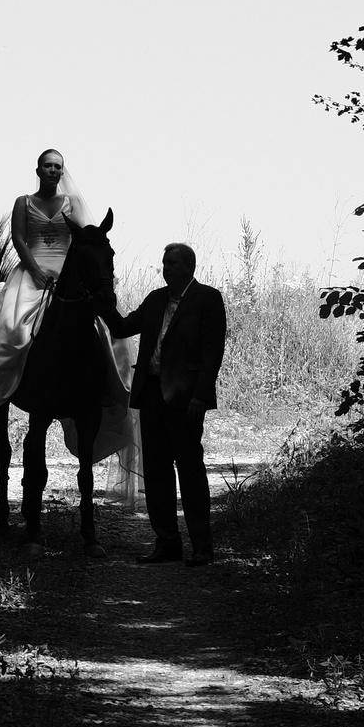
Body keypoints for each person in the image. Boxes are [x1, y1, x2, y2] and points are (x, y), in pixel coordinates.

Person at [112, 242, 227, 565]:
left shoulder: (207, 299)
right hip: (151, 396)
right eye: (164, 263)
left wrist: (201, 395)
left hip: (185, 400)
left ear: (189, 266)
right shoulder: (155, 299)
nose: (166, 269)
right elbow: (122, 327)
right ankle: (167, 543)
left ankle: (202, 547)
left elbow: (212, 352)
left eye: (173, 263)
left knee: (190, 471)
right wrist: (103, 300)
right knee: (157, 472)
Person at [0, 149, 87, 449]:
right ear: (38, 170)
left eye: (57, 166)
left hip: (66, 272)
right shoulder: (23, 202)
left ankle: (103, 392)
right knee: (7, 321)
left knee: (99, 324)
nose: (53, 170)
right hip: (32, 272)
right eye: (48, 166)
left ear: (63, 171)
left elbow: (83, 241)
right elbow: (19, 240)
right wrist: (35, 271)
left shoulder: (73, 203)